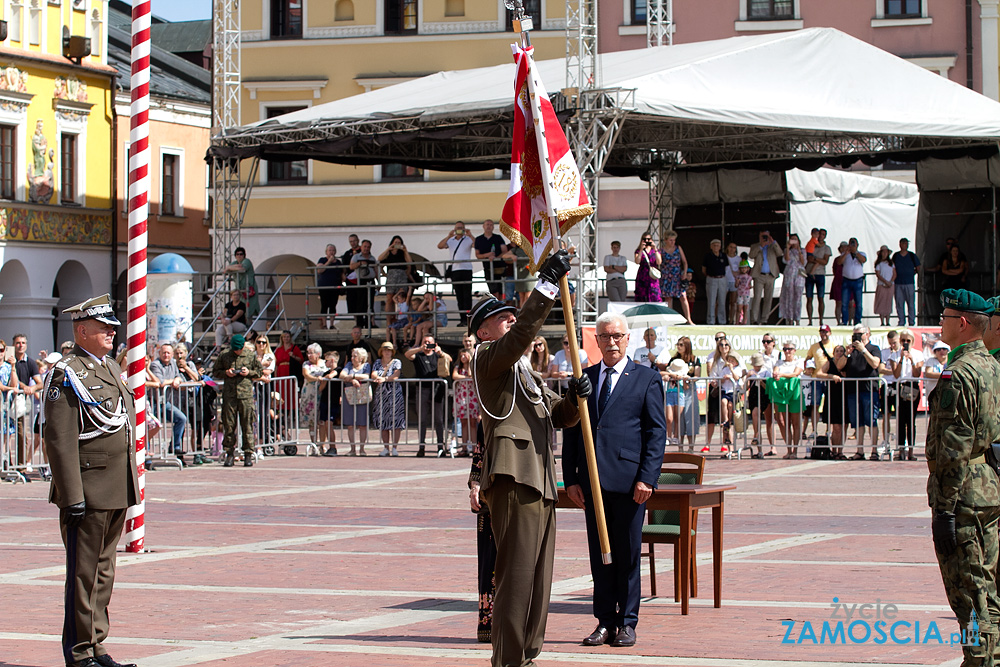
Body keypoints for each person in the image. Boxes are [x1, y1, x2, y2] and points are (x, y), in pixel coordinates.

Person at [470, 250, 587, 667]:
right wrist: (547, 286)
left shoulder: (527, 373)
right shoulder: (488, 360)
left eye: (509, 316)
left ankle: (527, 654)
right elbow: (521, 334)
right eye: (501, 318)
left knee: (539, 582)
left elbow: (561, 415)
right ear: (484, 331)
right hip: (513, 477)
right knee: (516, 582)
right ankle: (507, 661)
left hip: (539, 479)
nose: (510, 321)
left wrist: (576, 394)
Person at [44, 295, 139, 667]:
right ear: (81, 331)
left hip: (115, 485)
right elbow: (60, 438)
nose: (111, 334)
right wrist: (72, 494)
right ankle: (80, 653)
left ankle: (98, 645)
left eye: (112, 329)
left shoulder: (111, 368)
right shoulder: (66, 371)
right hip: (87, 487)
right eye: (103, 329)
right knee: (83, 576)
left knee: (103, 572)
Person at [563, 312, 666, 649]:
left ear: (627, 339)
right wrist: (570, 479)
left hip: (629, 483)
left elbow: (656, 433)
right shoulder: (585, 378)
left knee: (627, 554)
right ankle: (605, 621)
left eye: (617, 336)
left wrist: (647, 478)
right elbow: (573, 431)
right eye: (604, 337)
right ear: (597, 340)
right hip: (592, 482)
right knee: (600, 556)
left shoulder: (646, 379)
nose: (611, 343)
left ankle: (627, 623)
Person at [927, 288, 1000, 664]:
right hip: (987, 487)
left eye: (945, 317)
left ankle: (980, 661)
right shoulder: (992, 365)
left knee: (970, 596)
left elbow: (954, 447)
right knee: (987, 587)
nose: (941, 322)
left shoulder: (960, 374)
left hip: (965, 497)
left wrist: (944, 509)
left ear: (963, 323)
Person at [211, 334, 262, 467]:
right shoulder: (225, 355)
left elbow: (259, 371)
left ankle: (248, 454)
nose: (237, 351)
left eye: (239, 349)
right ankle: (229, 453)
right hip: (230, 395)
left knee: (247, 425)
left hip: (245, 395)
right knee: (229, 425)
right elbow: (215, 371)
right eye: (235, 349)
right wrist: (226, 372)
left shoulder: (250, 355)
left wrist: (248, 373)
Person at [837, 324, 882, 460]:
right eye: (855, 334)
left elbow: (875, 364)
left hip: (869, 390)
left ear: (867, 334)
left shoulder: (874, 349)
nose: (857, 337)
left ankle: (874, 450)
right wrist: (847, 353)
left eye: (860, 334)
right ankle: (860, 450)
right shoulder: (851, 350)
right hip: (852, 390)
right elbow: (839, 366)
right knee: (858, 422)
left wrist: (863, 350)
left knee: (872, 420)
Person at [468, 421, 495, 643]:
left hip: (517, 497)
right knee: (488, 564)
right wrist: (475, 486)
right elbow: (479, 451)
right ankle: (488, 623)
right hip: (490, 498)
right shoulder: (485, 418)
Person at [405, 335, 451, 456]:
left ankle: (441, 446)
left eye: (429, 342)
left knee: (439, 419)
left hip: (437, 390)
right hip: (422, 389)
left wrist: (440, 352)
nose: (427, 344)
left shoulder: (438, 355)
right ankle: (421, 446)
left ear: (434, 344)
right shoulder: (418, 355)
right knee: (422, 419)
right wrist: (419, 348)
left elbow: (450, 359)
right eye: (425, 342)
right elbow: (407, 355)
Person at [148, 342, 189, 462]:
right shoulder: (155, 364)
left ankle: (175, 446)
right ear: (159, 353)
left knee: (181, 418)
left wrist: (177, 379)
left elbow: (179, 377)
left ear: (172, 355)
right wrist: (172, 381)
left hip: (165, 402)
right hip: (153, 402)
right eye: (164, 352)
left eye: (168, 353)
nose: (166, 355)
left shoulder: (173, 363)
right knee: (150, 428)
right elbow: (160, 382)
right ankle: (147, 459)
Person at [888, 329, 923, 461]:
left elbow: (917, 373)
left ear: (912, 341)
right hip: (900, 386)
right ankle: (901, 449)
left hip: (912, 387)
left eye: (908, 340)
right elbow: (896, 374)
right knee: (901, 420)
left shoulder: (918, 354)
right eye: (903, 340)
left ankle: (911, 451)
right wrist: (902, 358)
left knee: (911, 420)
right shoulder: (895, 355)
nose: (906, 343)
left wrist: (912, 359)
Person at [770, 341, 804, 459]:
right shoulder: (779, 362)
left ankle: (795, 450)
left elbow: (796, 373)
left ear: (794, 351)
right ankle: (789, 449)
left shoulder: (799, 361)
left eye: (789, 349)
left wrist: (782, 374)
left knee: (796, 423)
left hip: (794, 392)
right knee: (785, 422)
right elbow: (775, 372)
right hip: (783, 393)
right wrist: (778, 373)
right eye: (785, 349)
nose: (787, 351)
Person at [371, 341, 405, 456]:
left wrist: (384, 379)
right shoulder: (377, 362)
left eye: (389, 350)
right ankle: (386, 447)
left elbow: (396, 375)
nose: (387, 352)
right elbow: (373, 374)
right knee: (383, 421)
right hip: (382, 395)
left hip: (394, 394)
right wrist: (378, 378)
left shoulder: (396, 362)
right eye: (385, 350)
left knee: (396, 421)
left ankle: (395, 447)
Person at [439, 221, 475, 326]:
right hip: (455, 271)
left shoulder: (468, 239)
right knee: (459, 296)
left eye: (461, 228)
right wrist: (449, 235)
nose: (459, 230)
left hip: (466, 270)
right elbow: (440, 246)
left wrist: (470, 235)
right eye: (457, 228)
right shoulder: (451, 240)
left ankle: (469, 320)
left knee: (467, 296)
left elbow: (477, 245)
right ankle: (462, 319)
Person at [339, 347, 371, 455]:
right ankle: (352, 449)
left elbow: (366, 376)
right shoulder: (348, 365)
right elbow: (342, 375)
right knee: (350, 424)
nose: (352, 358)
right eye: (352, 356)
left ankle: (362, 449)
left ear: (361, 358)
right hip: (349, 396)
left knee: (362, 424)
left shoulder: (366, 366)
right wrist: (352, 380)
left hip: (362, 396)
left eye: (355, 356)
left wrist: (353, 376)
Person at [378, 235, 413, 329]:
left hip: (401, 275)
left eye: (399, 242)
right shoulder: (388, 253)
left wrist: (405, 250)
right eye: (395, 242)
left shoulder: (402, 253)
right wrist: (388, 249)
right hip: (391, 276)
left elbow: (409, 262)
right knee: (389, 298)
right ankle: (389, 321)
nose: (397, 244)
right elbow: (380, 259)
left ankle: (402, 319)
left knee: (402, 298)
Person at [659, 231, 694, 324]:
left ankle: (688, 319)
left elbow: (685, 262)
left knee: (683, 296)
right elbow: (659, 263)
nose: (672, 242)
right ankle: (670, 320)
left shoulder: (678, 248)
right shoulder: (661, 250)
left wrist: (685, 272)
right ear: (666, 240)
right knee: (668, 298)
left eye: (674, 240)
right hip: (666, 275)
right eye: (670, 240)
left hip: (677, 275)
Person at [749, 229, 782, 325]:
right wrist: (761, 246)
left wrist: (773, 242)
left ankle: (764, 319)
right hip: (759, 275)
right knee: (757, 298)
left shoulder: (772, 246)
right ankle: (754, 319)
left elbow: (780, 253)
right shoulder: (755, 246)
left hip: (770, 275)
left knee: (768, 298)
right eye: (763, 236)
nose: (764, 238)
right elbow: (751, 255)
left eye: (766, 236)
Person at [300, 343, 327, 450]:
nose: (309, 355)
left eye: (312, 353)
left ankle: (322, 444)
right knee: (311, 421)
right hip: (309, 394)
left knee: (322, 421)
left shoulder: (325, 363)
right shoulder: (306, 364)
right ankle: (313, 444)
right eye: (308, 353)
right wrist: (318, 379)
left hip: (322, 394)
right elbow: (307, 375)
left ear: (318, 354)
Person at [452, 348, 479, 457]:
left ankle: (473, 447)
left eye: (465, 355)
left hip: (471, 397)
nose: (463, 358)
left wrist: (470, 363)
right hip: (462, 396)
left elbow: (472, 375)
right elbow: (455, 376)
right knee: (463, 421)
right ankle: (464, 447)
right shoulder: (458, 367)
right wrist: (465, 377)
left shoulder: (473, 367)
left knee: (473, 422)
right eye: (461, 356)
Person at [835, 237, 866, 326]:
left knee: (858, 303)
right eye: (851, 244)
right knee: (844, 303)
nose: (852, 245)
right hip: (846, 280)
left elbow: (863, 260)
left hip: (858, 280)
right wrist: (847, 252)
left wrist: (855, 252)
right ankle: (844, 321)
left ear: (857, 245)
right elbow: (839, 262)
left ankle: (857, 321)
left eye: (854, 244)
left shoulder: (862, 253)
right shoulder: (845, 254)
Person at [475, 219, 508, 299]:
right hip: (488, 268)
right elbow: (477, 255)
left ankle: (500, 306)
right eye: (487, 224)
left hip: (499, 267)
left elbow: (505, 251)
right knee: (493, 290)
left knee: (500, 290)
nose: (489, 226)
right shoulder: (479, 239)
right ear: (483, 226)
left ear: (493, 227)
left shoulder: (498, 238)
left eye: (491, 225)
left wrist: (496, 258)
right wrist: (487, 255)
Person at [804, 228, 831, 325]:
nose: (821, 236)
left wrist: (815, 259)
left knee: (821, 298)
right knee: (809, 298)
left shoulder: (827, 248)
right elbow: (808, 257)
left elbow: (825, 262)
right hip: (809, 273)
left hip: (820, 274)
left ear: (825, 236)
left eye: (823, 234)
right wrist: (818, 260)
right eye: (820, 234)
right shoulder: (812, 244)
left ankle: (821, 320)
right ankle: (810, 320)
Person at [317, 350, 342, 455]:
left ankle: (333, 447)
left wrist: (325, 378)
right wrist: (322, 380)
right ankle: (322, 446)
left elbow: (332, 376)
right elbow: (321, 388)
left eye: (326, 360)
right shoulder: (325, 373)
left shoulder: (339, 370)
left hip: (334, 401)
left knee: (329, 423)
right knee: (322, 423)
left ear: (332, 360)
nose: (325, 363)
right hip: (324, 400)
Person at [224, 246, 259, 321]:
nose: (239, 256)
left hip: (249, 290)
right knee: (240, 310)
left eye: (241, 254)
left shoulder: (247, 261)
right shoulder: (235, 263)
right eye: (237, 254)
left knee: (248, 311)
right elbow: (226, 269)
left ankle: (248, 329)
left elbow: (242, 268)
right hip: (240, 291)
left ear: (244, 255)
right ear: (235, 256)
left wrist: (231, 267)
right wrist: (233, 267)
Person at [778, 233, 806, 325]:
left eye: (795, 239)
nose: (794, 241)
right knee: (789, 297)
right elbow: (787, 260)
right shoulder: (787, 250)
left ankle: (797, 319)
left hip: (799, 275)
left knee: (798, 297)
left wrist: (798, 250)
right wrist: (788, 247)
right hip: (789, 274)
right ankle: (790, 319)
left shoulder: (802, 250)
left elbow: (803, 262)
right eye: (792, 239)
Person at [350, 239, 379, 327]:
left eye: (368, 247)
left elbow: (375, 270)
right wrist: (359, 263)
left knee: (370, 303)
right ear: (361, 247)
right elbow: (351, 266)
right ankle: (359, 323)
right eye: (365, 246)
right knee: (360, 303)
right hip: (361, 281)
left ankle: (369, 323)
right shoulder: (356, 257)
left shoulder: (372, 258)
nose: (366, 248)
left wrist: (378, 283)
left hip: (371, 281)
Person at [892, 238, 920, 327]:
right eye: (903, 243)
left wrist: (912, 274)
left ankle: (911, 322)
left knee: (911, 303)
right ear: (900, 244)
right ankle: (901, 321)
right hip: (898, 283)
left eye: (906, 243)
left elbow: (918, 267)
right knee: (899, 303)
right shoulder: (896, 256)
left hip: (909, 282)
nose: (905, 245)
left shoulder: (912, 255)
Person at [315, 243, 344, 329]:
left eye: (333, 250)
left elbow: (341, 273)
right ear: (326, 252)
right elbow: (319, 270)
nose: (332, 252)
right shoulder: (322, 260)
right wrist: (329, 262)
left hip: (335, 287)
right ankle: (324, 324)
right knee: (324, 305)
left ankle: (331, 324)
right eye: (330, 250)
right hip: (324, 286)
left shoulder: (338, 262)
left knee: (333, 305)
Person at [702, 238, 728, 325]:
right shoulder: (707, 256)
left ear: (720, 247)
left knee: (722, 301)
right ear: (711, 246)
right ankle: (711, 321)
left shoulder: (723, 256)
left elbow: (727, 268)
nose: (716, 247)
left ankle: (722, 321)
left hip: (722, 279)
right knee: (711, 301)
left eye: (717, 245)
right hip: (711, 279)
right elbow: (704, 269)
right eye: (714, 245)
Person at [273, 330, 304, 402]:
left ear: (290, 338)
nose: (286, 338)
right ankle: (281, 410)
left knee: (290, 390)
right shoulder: (278, 349)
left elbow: (301, 359)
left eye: (287, 337)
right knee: (281, 390)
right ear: (282, 338)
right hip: (280, 372)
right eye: (284, 337)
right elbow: (276, 364)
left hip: (290, 370)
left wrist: (293, 356)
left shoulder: (294, 348)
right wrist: (275, 376)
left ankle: (291, 410)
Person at [633, 232, 661, 303]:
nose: (647, 241)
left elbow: (659, 262)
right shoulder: (638, 251)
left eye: (649, 239)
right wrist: (641, 250)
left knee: (654, 295)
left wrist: (655, 249)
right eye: (645, 239)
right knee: (642, 296)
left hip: (652, 276)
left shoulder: (655, 251)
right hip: (643, 275)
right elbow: (637, 261)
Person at [873, 246, 895, 327]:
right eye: (883, 252)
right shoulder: (878, 263)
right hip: (881, 284)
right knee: (881, 301)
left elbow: (894, 273)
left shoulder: (891, 263)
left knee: (888, 302)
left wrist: (891, 282)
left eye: (886, 252)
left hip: (890, 284)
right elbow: (878, 274)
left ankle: (888, 320)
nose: (885, 254)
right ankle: (882, 321)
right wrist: (885, 281)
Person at [829, 241, 848, 325]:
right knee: (839, 303)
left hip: (848, 281)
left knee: (851, 303)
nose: (844, 249)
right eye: (842, 247)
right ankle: (838, 321)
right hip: (838, 282)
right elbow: (834, 270)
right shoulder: (837, 259)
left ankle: (849, 321)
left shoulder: (851, 258)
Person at [725, 242, 741, 325]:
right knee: (720, 301)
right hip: (724, 281)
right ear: (728, 248)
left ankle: (731, 320)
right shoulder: (724, 257)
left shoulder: (739, 259)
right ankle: (721, 320)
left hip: (734, 282)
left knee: (733, 302)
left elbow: (742, 271)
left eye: (734, 247)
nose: (732, 249)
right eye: (730, 247)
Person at [734, 259, 752, 325]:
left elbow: (750, 285)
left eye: (745, 268)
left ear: (747, 268)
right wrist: (737, 282)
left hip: (746, 294)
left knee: (745, 308)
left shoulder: (749, 277)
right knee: (739, 308)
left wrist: (750, 286)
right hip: (740, 294)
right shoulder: (738, 277)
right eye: (742, 268)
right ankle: (737, 322)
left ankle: (744, 322)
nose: (744, 269)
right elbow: (736, 285)